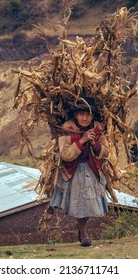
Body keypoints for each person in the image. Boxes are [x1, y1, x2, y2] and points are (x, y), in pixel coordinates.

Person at [49, 97, 110, 247]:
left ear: (93, 116)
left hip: (91, 168)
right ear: (75, 115)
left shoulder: (97, 128)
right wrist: (81, 141)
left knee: (89, 202)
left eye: (88, 114)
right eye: (81, 114)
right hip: (73, 170)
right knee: (80, 203)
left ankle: (82, 229)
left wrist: (94, 143)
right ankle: (83, 232)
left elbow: (106, 151)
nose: (85, 118)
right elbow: (65, 156)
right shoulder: (66, 129)